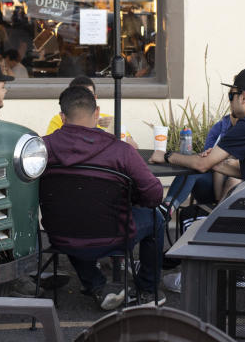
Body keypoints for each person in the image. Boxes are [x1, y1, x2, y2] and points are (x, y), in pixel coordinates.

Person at [42, 86, 164, 309]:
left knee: (72, 215)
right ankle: (147, 289)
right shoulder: (121, 151)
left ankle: (96, 284)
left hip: (60, 234)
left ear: (62, 117)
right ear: (97, 113)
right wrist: (135, 199)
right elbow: (155, 195)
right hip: (114, 235)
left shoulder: (41, 148)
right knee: (157, 219)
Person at [150, 68, 245, 197]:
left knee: (190, 219)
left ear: (243, 97)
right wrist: (215, 162)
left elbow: (201, 165)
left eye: (231, 95)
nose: (230, 102)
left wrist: (167, 156)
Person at [44, 76, 136, 147]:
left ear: (95, 98)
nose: (84, 99)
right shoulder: (58, 119)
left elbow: (134, 147)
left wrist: (117, 129)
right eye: (79, 95)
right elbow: (48, 148)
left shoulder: (109, 120)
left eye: (89, 95)